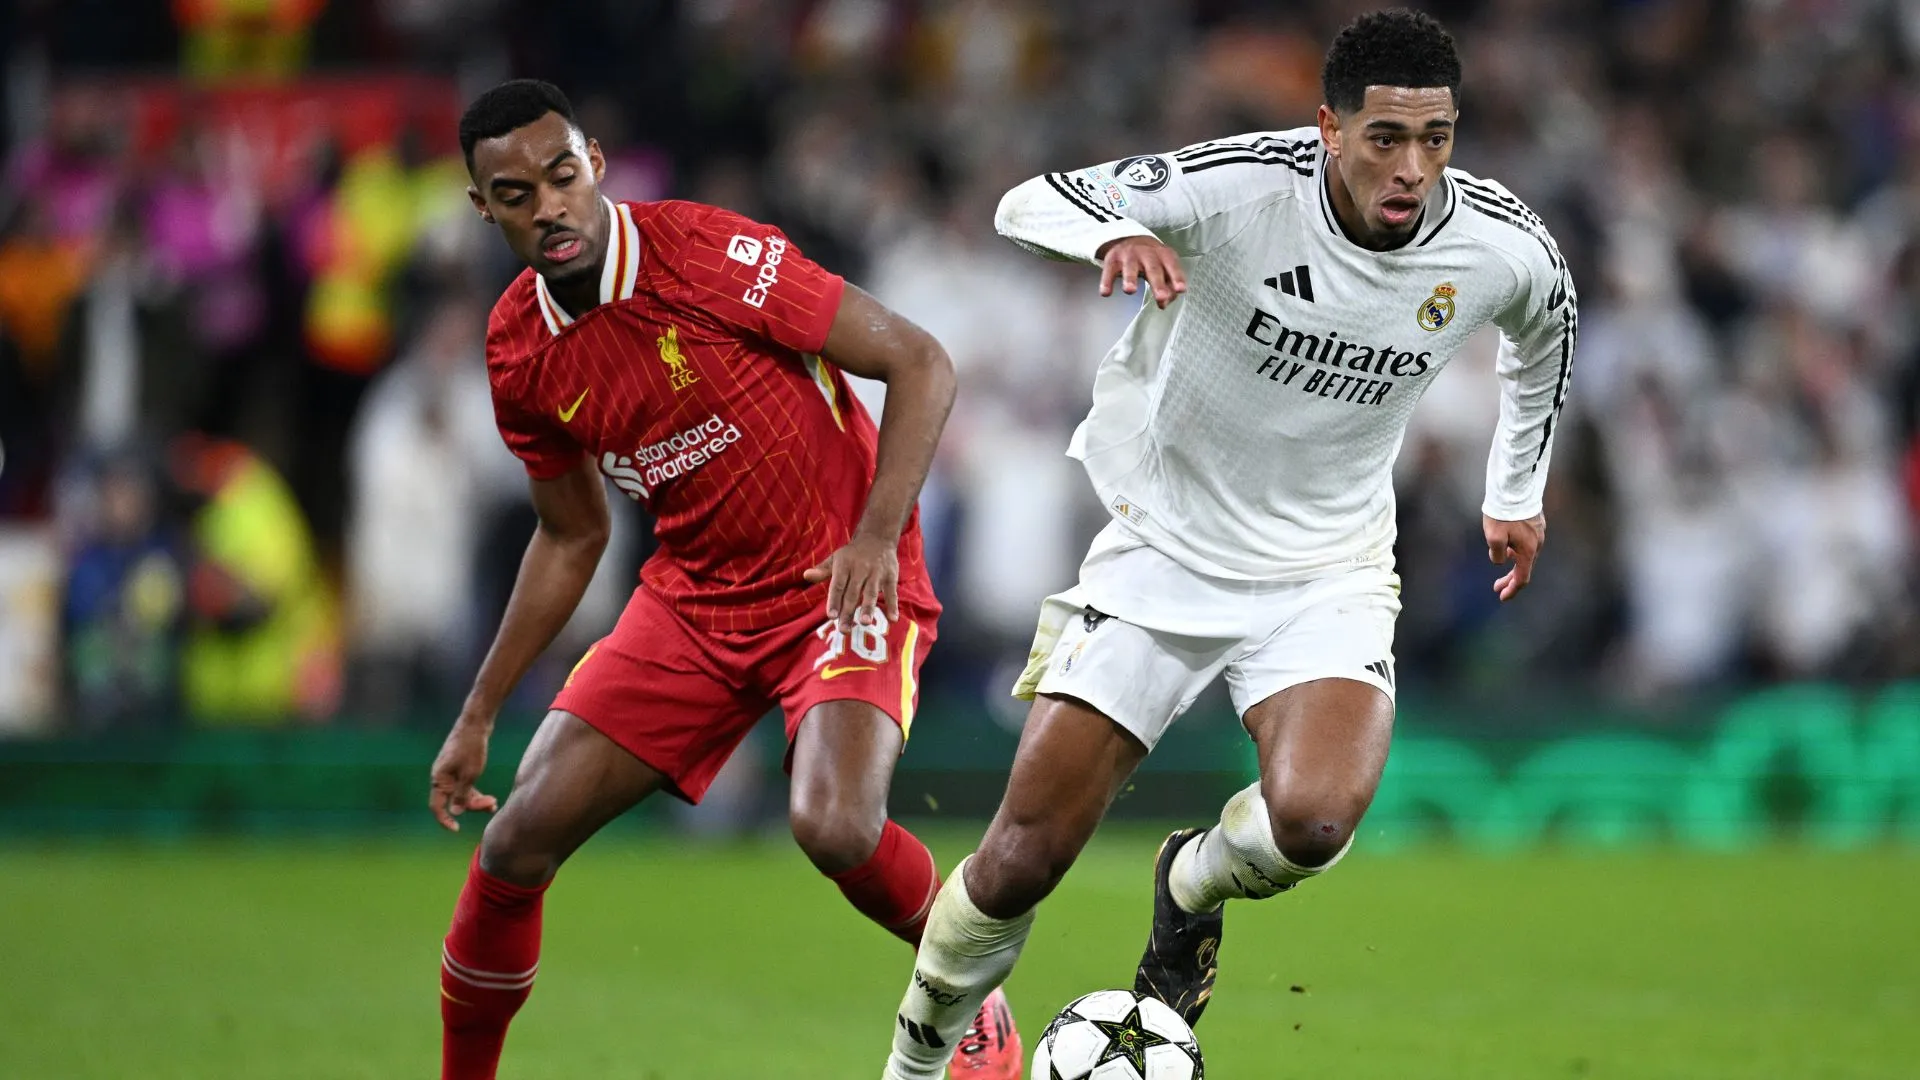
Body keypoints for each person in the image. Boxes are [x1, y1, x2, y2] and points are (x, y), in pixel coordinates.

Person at [880, 10, 1578, 1077]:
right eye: (1385, 137)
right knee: (1019, 861)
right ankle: (915, 1069)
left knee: (1314, 822)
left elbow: (1548, 323)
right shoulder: (1240, 183)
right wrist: (1112, 230)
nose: (1413, 167)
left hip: (1326, 570)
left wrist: (1515, 488)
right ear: (1327, 128)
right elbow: (1032, 202)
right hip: (1165, 551)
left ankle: (1192, 883)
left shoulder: (1497, 243)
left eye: (1436, 137)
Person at [428, 80, 1021, 1080]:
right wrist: (481, 711)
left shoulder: (707, 254)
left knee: (833, 824)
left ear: (596, 165)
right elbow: (570, 537)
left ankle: (972, 998)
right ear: (483, 208)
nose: (550, 207)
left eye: (562, 176)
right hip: (695, 603)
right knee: (516, 841)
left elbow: (919, 362)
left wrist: (878, 537)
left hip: (841, 576)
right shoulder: (518, 349)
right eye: (516, 193)